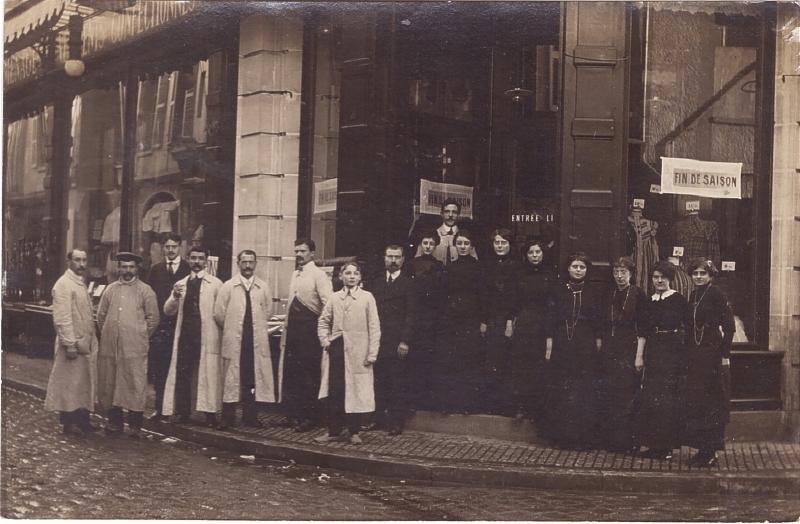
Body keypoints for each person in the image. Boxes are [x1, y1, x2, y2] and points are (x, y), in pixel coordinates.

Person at [543, 252, 605, 450]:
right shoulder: (558, 289)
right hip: (563, 340)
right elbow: (550, 318)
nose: (578, 270)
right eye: (575, 266)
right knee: (564, 386)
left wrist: (597, 343)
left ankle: (582, 438)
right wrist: (549, 344)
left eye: (582, 267)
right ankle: (562, 436)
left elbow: (599, 321)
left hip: (585, 341)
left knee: (583, 388)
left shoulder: (594, 291)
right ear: (568, 268)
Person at [315, 262, 381, 446]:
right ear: (341, 277)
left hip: (359, 352)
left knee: (356, 391)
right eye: (348, 273)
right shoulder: (335, 298)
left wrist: (372, 353)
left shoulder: (367, 298)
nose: (351, 276)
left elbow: (374, 327)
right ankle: (334, 431)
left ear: (360, 277)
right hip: (337, 350)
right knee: (336, 391)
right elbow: (323, 321)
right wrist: (326, 341)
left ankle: (354, 432)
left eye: (355, 273)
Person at [97, 252, 160, 438]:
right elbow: (101, 316)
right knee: (111, 382)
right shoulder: (110, 290)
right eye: (124, 267)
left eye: (131, 267)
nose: (127, 270)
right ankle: (114, 423)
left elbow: (153, 318)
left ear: (137, 268)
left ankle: (135, 426)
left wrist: (139, 336)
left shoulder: (145, 290)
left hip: (134, 348)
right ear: (118, 268)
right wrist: (111, 333)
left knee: (134, 383)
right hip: (111, 347)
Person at [632, 261, 690, 460]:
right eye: (655, 277)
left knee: (668, 397)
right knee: (651, 396)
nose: (658, 281)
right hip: (654, 349)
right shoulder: (649, 302)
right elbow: (643, 332)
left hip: (672, 349)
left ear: (670, 279)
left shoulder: (678, 300)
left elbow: (689, 328)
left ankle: (666, 446)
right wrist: (639, 356)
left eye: (662, 278)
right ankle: (653, 444)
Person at [680, 259, 735, 467]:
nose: (699, 277)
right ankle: (702, 450)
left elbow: (729, 327)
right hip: (696, 355)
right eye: (695, 273)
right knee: (698, 403)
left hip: (712, 355)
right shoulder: (694, 295)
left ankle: (712, 451)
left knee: (712, 403)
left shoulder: (717, 295)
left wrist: (724, 355)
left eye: (703, 273)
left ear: (711, 276)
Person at [214, 250, 277, 429]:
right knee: (231, 379)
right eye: (244, 262)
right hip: (235, 342)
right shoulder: (228, 286)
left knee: (252, 380)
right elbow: (219, 313)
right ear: (238, 264)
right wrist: (233, 328)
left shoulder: (262, 287)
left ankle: (250, 417)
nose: (248, 266)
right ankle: (228, 418)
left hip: (254, 343)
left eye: (251, 262)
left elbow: (268, 312)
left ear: (256, 264)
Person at [161, 246, 223, 428]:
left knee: (208, 374)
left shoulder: (216, 284)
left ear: (206, 260)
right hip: (186, 335)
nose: (197, 261)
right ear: (188, 259)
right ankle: (182, 412)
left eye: (200, 258)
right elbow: (168, 311)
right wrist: (174, 296)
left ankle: (210, 414)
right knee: (183, 374)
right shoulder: (180, 283)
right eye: (194, 257)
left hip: (206, 335)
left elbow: (220, 313)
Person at [279, 239, 333, 432]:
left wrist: (324, 331)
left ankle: (312, 418)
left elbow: (329, 304)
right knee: (294, 374)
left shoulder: (319, 275)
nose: (299, 254)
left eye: (303, 251)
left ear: (312, 253)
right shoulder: (295, 274)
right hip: (294, 331)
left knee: (309, 374)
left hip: (310, 332)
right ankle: (295, 416)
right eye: (296, 251)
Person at [44, 249, 100, 435]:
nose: (82, 264)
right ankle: (69, 422)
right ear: (69, 261)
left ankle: (83, 420)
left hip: (83, 343)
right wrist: (69, 344)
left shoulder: (79, 283)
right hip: (73, 344)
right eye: (77, 260)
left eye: (84, 260)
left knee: (82, 383)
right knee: (69, 383)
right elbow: (62, 318)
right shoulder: (63, 285)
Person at [599, 256, 648, 452]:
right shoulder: (608, 293)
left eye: (623, 272)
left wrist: (638, 356)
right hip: (610, 345)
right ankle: (611, 440)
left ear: (631, 274)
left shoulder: (638, 294)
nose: (619, 276)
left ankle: (628, 441)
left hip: (629, 346)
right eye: (616, 272)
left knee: (626, 394)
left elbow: (643, 328)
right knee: (609, 393)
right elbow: (600, 324)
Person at [371, 245, 418, 435]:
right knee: (379, 380)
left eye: (397, 257)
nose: (393, 261)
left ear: (403, 260)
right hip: (378, 340)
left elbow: (411, 316)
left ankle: (396, 421)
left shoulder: (408, 284)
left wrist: (405, 341)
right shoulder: (377, 283)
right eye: (389, 256)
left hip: (397, 341)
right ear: (384, 258)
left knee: (397, 383)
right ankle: (379, 419)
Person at [509, 239, 556, 424]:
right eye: (531, 253)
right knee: (521, 364)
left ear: (543, 254)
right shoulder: (519, 274)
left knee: (539, 364)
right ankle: (520, 406)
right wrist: (510, 321)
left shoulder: (550, 275)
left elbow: (553, 304)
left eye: (538, 252)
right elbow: (513, 300)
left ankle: (536, 409)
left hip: (543, 323)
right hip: (524, 322)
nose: (534, 256)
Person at [146, 234, 191, 422]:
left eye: (174, 247)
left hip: (182, 328)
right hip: (161, 328)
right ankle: (160, 408)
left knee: (182, 370)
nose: (171, 250)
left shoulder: (188, 268)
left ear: (180, 247)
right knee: (160, 370)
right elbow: (149, 297)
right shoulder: (155, 269)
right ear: (162, 248)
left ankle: (182, 411)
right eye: (167, 247)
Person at [440, 229, 484, 414]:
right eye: (460, 244)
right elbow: (443, 294)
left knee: (468, 361)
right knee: (451, 359)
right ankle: (450, 402)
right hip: (452, 317)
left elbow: (484, 296)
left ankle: (467, 404)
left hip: (471, 317)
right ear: (455, 246)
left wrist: (482, 321)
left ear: (471, 246)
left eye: (466, 244)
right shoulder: (449, 267)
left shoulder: (478, 267)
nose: (463, 247)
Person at [406, 229, 447, 411]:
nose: (428, 247)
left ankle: (428, 399)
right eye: (425, 243)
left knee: (431, 358)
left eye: (431, 244)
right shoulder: (411, 265)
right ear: (420, 245)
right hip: (416, 316)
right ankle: (413, 400)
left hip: (432, 317)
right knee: (415, 359)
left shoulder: (439, 266)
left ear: (435, 245)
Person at [480, 229, 520, 416]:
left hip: (510, 318)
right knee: (492, 359)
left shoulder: (517, 266)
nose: (500, 246)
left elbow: (516, 296)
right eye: (497, 242)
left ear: (510, 245)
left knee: (508, 361)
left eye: (504, 242)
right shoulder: (488, 265)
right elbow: (485, 296)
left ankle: (507, 405)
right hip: (492, 317)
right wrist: (484, 320)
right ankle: (491, 403)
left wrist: (510, 321)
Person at [415, 198, 477, 266]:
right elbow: (418, 261)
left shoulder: (465, 238)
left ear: (459, 215)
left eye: (454, 212)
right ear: (442, 214)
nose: (450, 215)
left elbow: (473, 263)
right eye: (447, 211)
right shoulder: (431, 236)